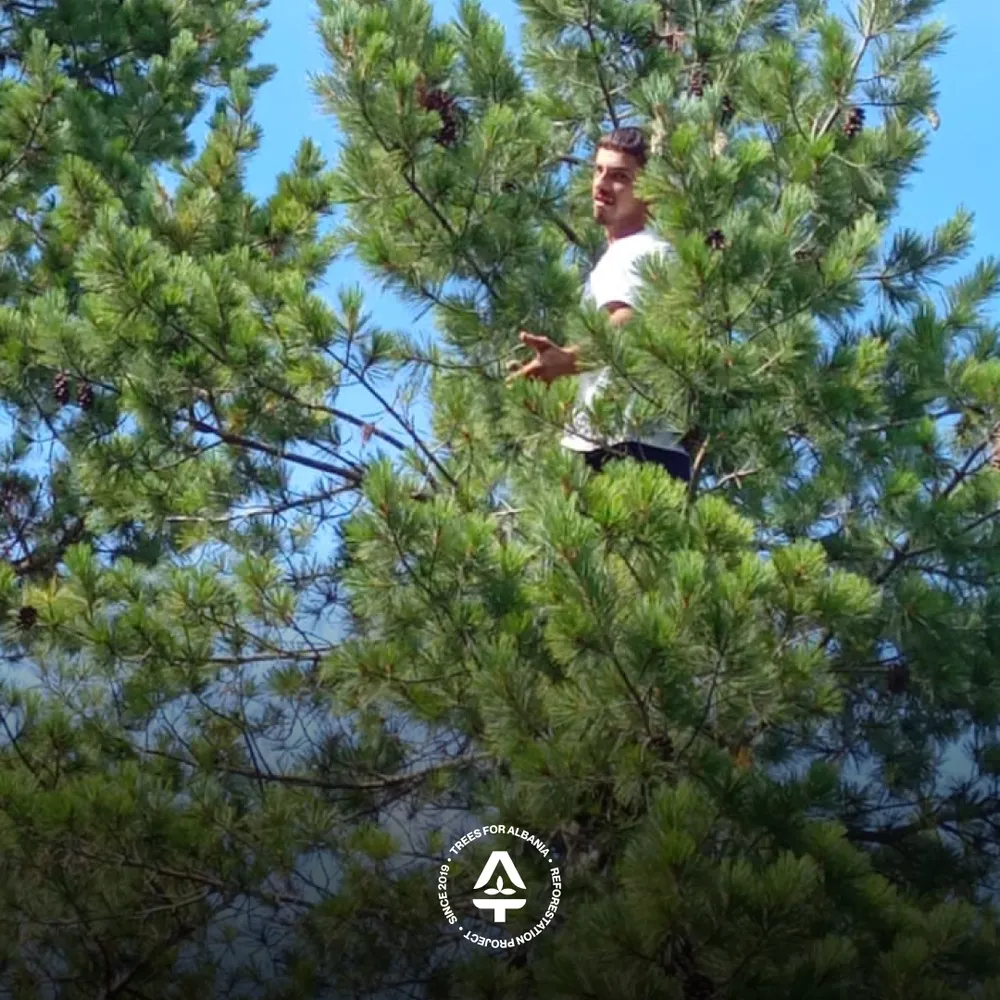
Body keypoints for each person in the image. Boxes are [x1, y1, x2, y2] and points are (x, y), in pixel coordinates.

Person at [507, 127, 690, 482]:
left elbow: (630, 322)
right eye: (599, 170)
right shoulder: (638, 253)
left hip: (628, 448)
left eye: (620, 177)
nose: (602, 184)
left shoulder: (642, 250)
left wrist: (568, 361)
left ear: (650, 191)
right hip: (633, 447)